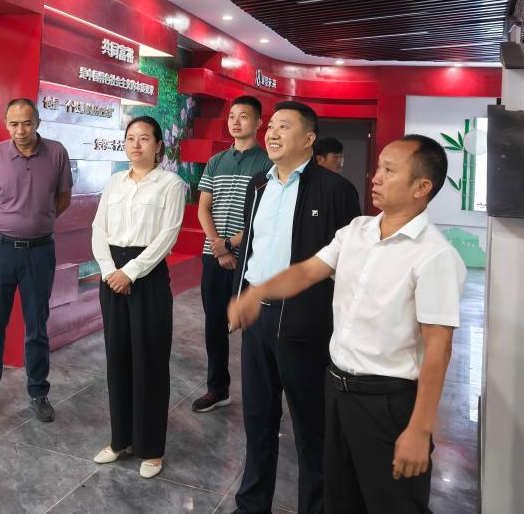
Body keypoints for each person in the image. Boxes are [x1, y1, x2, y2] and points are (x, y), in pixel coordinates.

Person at [229, 135, 467, 514]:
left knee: (392, 504)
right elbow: (307, 271)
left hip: (388, 403)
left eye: (389, 170)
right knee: (340, 499)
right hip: (337, 391)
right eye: (380, 167)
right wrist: (256, 293)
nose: (375, 176)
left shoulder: (435, 255)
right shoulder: (357, 230)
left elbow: (439, 349)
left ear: (422, 187)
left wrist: (420, 429)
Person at [231, 101, 361, 514]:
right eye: (270, 126)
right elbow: (251, 249)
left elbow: (348, 265)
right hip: (257, 318)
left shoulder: (336, 190)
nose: (271, 133)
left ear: (308, 139)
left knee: (312, 429)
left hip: (305, 322)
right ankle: (252, 505)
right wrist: (240, 296)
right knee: (257, 419)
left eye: (283, 126)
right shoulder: (259, 185)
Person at [91, 116, 185, 480]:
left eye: (144, 138)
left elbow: (167, 236)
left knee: (150, 361)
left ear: (158, 145)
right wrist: (109, 271)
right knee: (118, 359)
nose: (136, 144)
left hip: (147, 276)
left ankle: (151, 449)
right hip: (111, 274)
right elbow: (98, 228)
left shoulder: (171, 184)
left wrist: (129, 273)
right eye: (130, 138)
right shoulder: (115, 181)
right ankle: (121, 440)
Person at [0, 98, 72, 424]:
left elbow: (64, 198)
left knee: (37, 326)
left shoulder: (56, 153)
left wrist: (38, 221)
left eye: (26, 123)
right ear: (7, 124)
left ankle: (38, 392)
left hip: (39, 252)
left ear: (37, 123)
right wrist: (8, 223)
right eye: (14, 124)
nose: (20, 130)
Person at [193, 96, 271, 413]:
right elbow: (203, 208)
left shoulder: (268, 163)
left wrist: (230, 244)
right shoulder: (216, 162)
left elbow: (264, 215)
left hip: (249, 258)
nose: (236, 122)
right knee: (214, 325)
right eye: (232, 116)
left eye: (244, 116)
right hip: (214, 255)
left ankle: (259, 396)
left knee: (254, 329)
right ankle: (217, 389)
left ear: (259, 122)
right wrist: (218, 245)